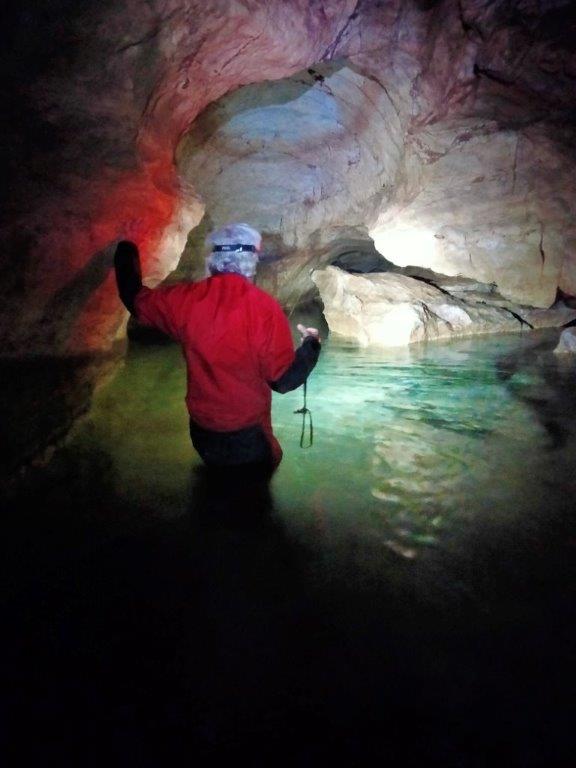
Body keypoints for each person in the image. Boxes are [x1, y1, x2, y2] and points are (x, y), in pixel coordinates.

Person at [114, 222, 321, 472]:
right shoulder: (265, 309)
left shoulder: (185, 299)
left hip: (203, 431)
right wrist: (310, 346)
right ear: (251, 261)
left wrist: (126, 249)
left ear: (213, 259)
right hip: (247, 435)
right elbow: (283, 380)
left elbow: (134, 298)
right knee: (253, 490)